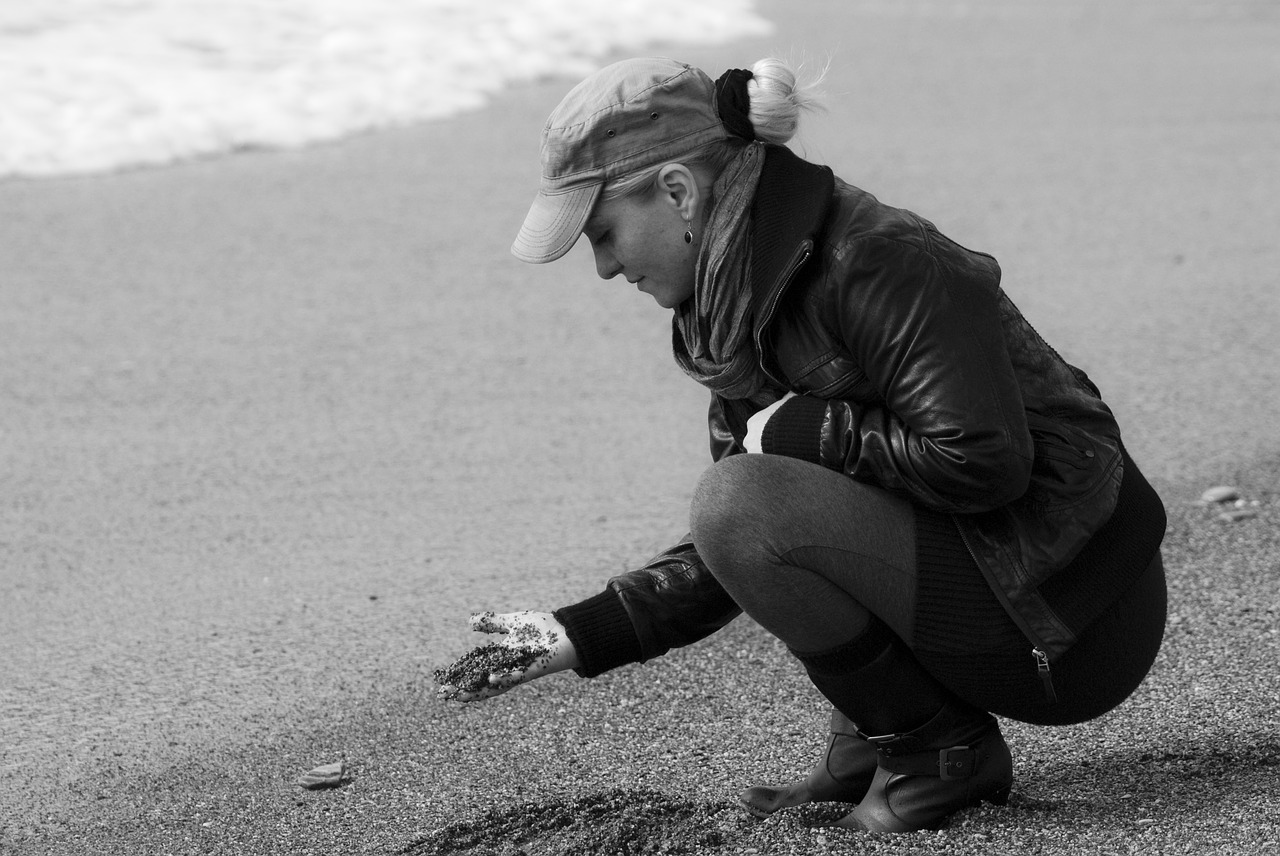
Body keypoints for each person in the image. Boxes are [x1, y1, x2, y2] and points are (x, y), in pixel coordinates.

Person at [436, 56, 1168, 833]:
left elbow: (981, 462)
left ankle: (939, 753)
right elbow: (754, 540)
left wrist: (815, 430)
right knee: (745, 502)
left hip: (1074, 616)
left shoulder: (879, 257)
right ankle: (872, 742)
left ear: (679, 191)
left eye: (603, 232)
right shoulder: (731, 302)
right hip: (996, 591)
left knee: (738, 497)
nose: (606, 266)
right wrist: (577, 633)